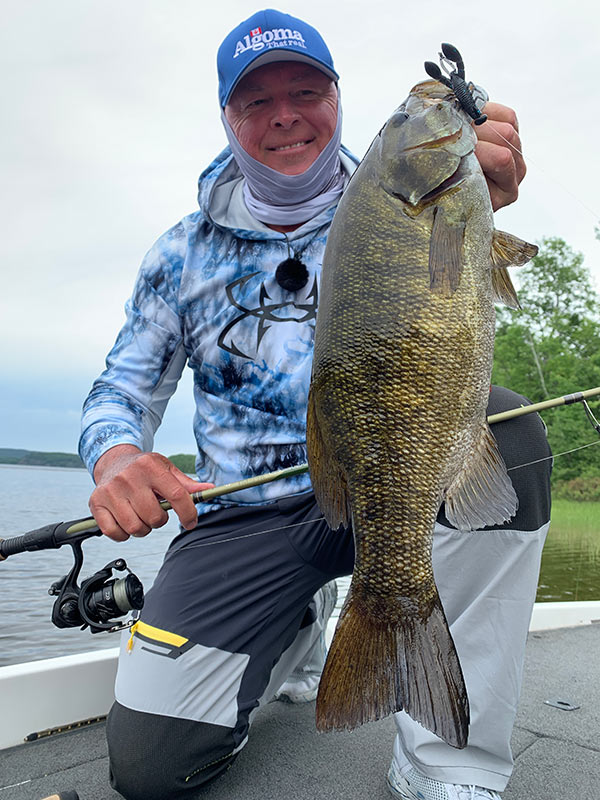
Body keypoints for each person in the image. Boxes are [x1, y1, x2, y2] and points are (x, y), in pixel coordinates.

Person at [79, 9, 552, 800]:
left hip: (401, 487)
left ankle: (448, 760)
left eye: (306, 90)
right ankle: (299, 616)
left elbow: (458, 275)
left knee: (510, 431)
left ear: (337, 98)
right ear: (227, 116)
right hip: (243, 517)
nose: (286, 114)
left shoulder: (402, 196)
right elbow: (120, 388)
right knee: (153, 769)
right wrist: (118, 456)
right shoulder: (178, 254)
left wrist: (482, 191)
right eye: (257, 101)